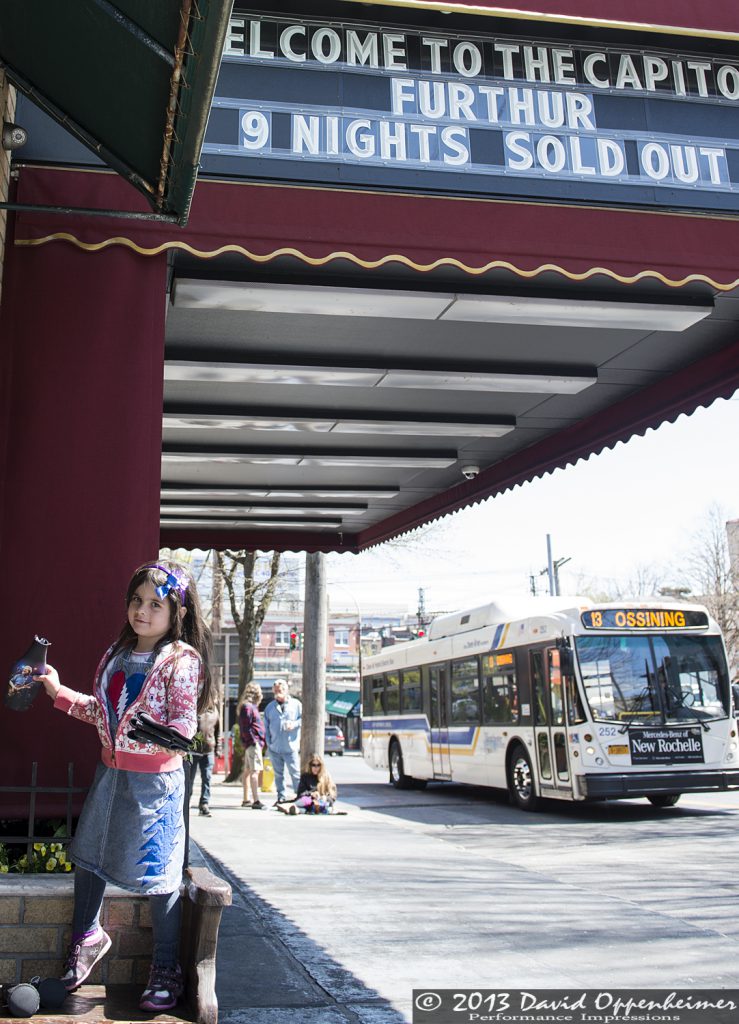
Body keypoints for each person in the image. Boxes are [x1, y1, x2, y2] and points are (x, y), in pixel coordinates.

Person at [35, 560, 214, 1013]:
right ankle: (87, 938)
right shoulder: (117, 652)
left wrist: (143, 733)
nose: (143, 611)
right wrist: (59, 693)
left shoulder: (183, 660)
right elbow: (103, 712)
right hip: (110, 774)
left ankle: (166, 966)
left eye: (156, 604)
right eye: (137, 600)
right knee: (88, 857)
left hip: (155, 786)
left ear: (178, 613)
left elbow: (182, 727)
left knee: (161, 876)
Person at [263, 680, 301, 804]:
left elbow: (303, 719)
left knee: (295, 773)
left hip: (291, 747)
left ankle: (299, 796)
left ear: (286, 690)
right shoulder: (270, 707)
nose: (278, 693)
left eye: (280, 690)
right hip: (275, 747)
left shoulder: (296, 705)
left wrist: (294, 724)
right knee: (278, 775)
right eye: (276, 690)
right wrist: (269, 743)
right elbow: (266, 727)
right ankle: (281, 796)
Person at [237, 683, 266, 809]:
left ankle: (246, 798)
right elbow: (246, 727)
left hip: (251, 743)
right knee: (255, 771)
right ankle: (256, 800)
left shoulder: (247, 706)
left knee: (248, 771)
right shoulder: (248, 707)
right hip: (253, 743)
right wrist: (254, 741)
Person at [190, 705, 220, 817]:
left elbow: (218, 730)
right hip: (193, 750)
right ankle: (186, 801)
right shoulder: (196, 707)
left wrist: (218, 748)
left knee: (207, 778)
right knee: (190, 779)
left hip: (209, 749)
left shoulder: (215, 711)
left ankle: (204, 803)